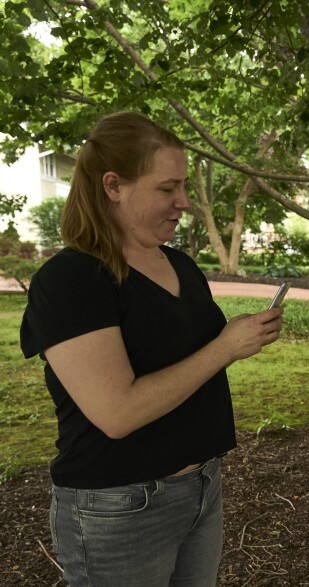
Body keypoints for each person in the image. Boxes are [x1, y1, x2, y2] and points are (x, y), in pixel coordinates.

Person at [19, 111, 284, 586]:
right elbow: (116, 412)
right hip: (119, 507)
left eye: (183, 186)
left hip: (202, 485)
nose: (184, 202)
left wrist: (244, 337)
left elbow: (187, 359)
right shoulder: (72, 280)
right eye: (167, 188)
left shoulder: (179, 265)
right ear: (113, 185)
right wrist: (225, 348)